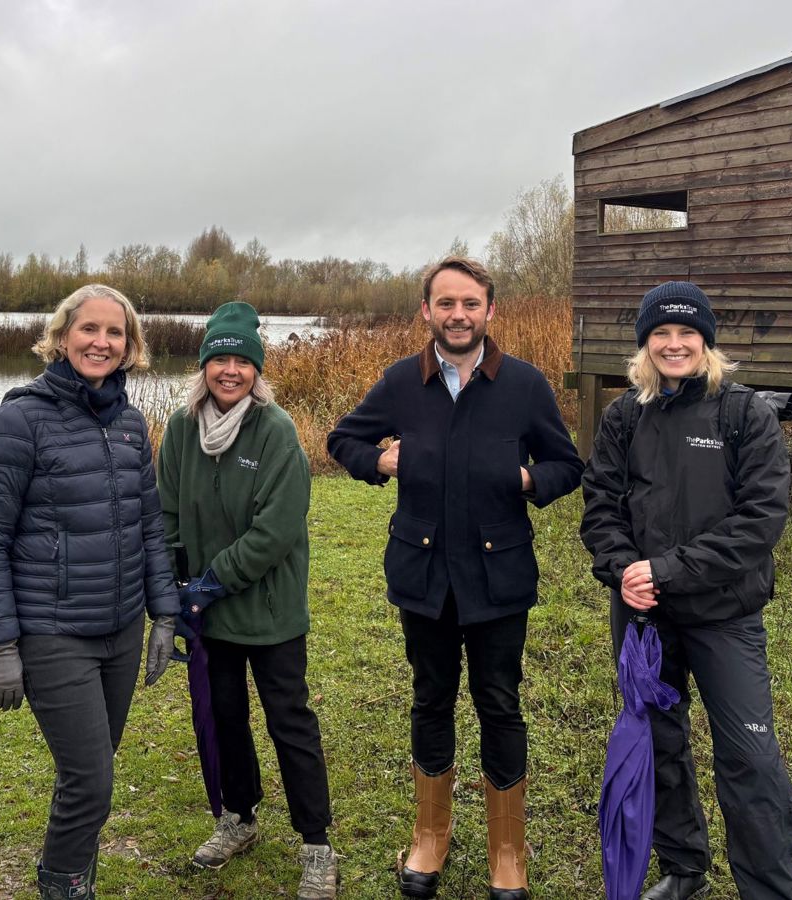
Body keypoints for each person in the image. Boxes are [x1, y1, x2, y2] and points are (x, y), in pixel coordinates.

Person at [327, 256, 583, 899]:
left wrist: (526, 479)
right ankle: (430, 837)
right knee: (430, 699)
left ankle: (507, 849)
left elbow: (566, 464)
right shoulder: (401, 383)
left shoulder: (524, 385)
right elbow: (342, 440)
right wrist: (382, 461)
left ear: (490, 311)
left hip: (498, 578)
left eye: (470, 304)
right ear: (427, 312)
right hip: (424, 575)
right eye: (446, 304)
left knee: (499, 703)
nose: (458, 315)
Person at [580, 281, 792, 900]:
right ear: (645, 345)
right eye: (661, 334)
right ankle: (684, 868)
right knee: (658, 742)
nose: (674, 345)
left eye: (686, 334)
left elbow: (759, 523)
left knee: (750, 760)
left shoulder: (745, 415)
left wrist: (668, 570)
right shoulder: (625, 415)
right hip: (646, 618)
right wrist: (624, 567)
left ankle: (770, 889)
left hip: (724, 615)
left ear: (706, 342)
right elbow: (600, 505)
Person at [0, 284, 179, 900]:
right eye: (90, 329)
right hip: (54, 632)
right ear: (62, 337)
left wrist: (163, 613)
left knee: (92, 774)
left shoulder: (132, 424)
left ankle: (73, 876)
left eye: (116, 333)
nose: (102, 342)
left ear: (130, 347)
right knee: (92, 781)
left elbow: (148, 525)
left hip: (120, 630)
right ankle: (62, 885)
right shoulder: (19, 420)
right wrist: (1, 645)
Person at [152, 301, 339, 900]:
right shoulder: (181, 429)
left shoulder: (277, 431)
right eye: (219, 359)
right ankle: (239, 818)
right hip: (208, 612)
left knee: (290, 721)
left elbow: (275, 531)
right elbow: (167, 512)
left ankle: (316, 844)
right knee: (223, 717)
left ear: (257, 370)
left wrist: (213, 579)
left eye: (241, 361)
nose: (229, 371)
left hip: (269, 611)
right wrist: (178, 590)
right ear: (203, 365)